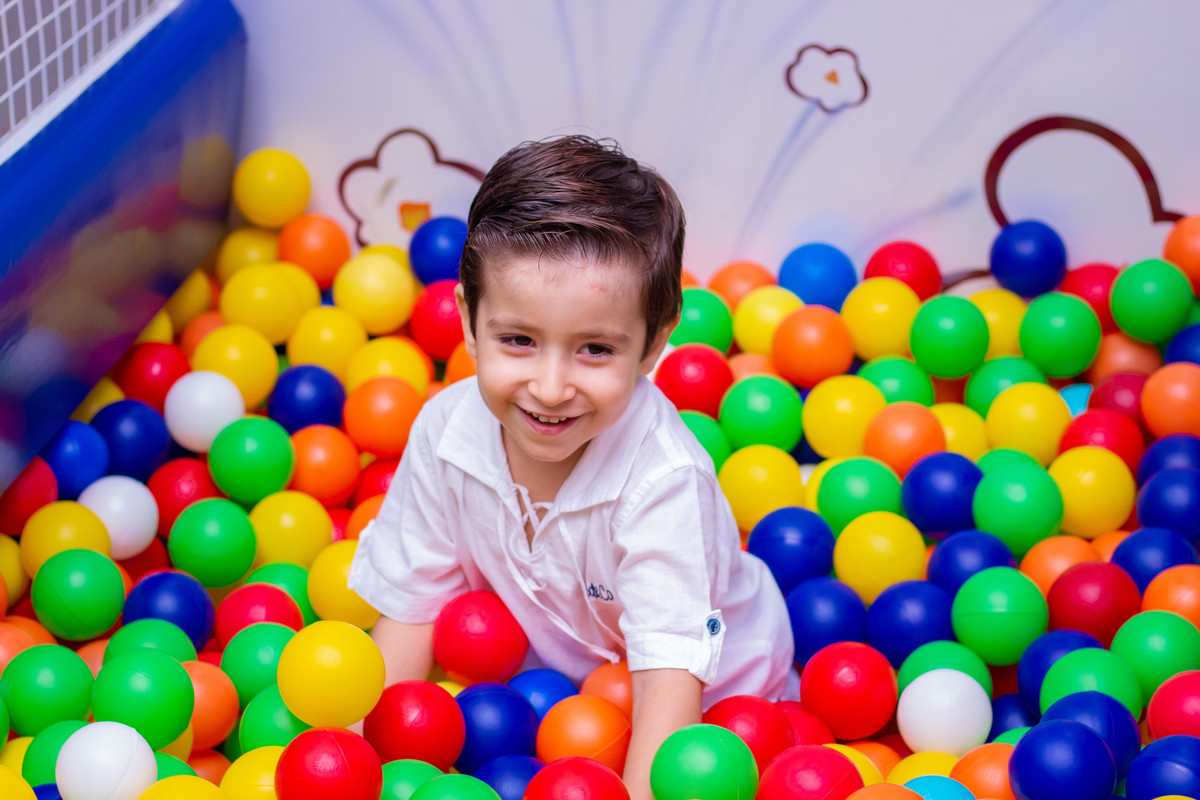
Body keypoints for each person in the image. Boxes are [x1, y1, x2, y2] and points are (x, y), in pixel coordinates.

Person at [348, 135, 796, 799]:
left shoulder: (663, 481)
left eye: (593, 349)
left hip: (714, 696)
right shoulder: (447, 432)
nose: (551, 387)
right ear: (469, 323)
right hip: (544, 686)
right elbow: (414, 610)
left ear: (653, 344)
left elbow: (671, 683)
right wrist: (361, 763)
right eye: (519, 341)